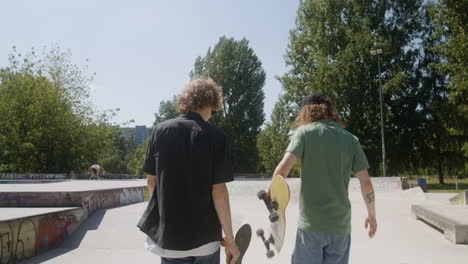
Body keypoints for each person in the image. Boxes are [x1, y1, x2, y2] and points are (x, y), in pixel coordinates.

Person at [137, 78, 240, 264]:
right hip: (206, 241)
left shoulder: (159, 131)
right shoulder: (216, 137)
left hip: (169, 240)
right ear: (212, 103)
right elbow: (219, 193)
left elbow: (151, 182)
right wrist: (230, 240)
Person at [271, 92, 377, 264]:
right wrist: (372, 216)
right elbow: (366, 183)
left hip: (311, 226)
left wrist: (274, 203)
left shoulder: (304, 133)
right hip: (340, 228)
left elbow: (282, 171)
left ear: (307, 112)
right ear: (330, 110)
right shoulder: (351, 140)